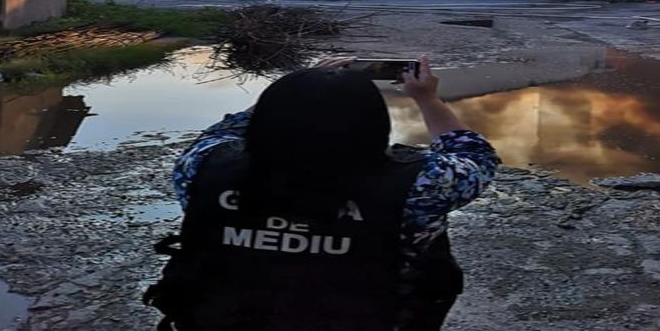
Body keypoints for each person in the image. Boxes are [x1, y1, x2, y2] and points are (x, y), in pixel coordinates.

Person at [145, 57, 500, 331]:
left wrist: (297, 90)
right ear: (373, 124)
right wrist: (426, 99)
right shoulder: (420, 185)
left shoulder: (205, 167)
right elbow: (473, 155)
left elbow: (222, 131)